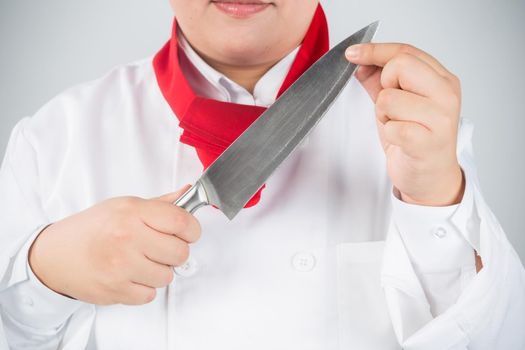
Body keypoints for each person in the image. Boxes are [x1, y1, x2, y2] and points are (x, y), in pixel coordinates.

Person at [0, 0, 523, 349]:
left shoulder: (414, 127)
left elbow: (498, 336)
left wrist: (435, 201)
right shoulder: (53, 138)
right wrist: (44, 271)